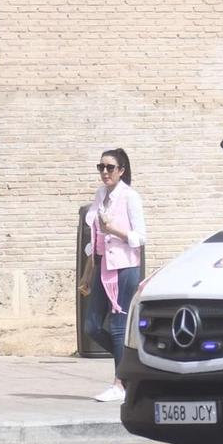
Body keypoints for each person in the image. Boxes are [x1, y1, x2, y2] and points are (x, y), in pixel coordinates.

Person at [81, 147, 146, 404]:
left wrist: (114, 230)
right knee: (93, 326)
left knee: (119, 327)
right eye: (101, 167)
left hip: (124, 267)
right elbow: (96, 236)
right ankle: (134, 360)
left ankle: (120, 383)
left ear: (121, 171)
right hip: (101, 265)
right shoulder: (100, 195)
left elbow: (140, 237)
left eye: (110, 168)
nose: (105, 172)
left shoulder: (130, 197)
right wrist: (89, 265)